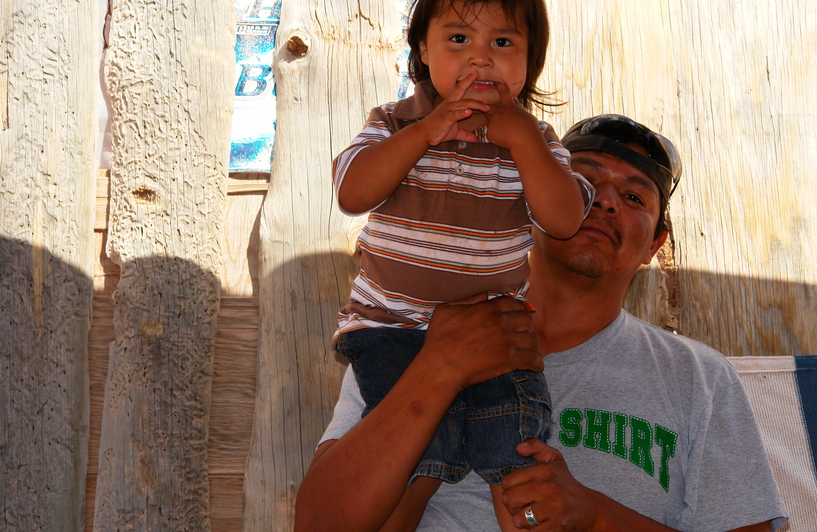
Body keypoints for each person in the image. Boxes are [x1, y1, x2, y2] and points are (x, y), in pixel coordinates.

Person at [297, 114, 789, 531]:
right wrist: (440, 369)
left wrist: (594, 515)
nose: (606, 200)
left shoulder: (699, 378)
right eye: (585, 181)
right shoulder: (406, 334)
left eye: (636, 198)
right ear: (528, 198)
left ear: (654, 246)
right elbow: (318, 523)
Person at [329, 0, 594, 531]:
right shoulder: (397, 124)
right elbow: (351, 191)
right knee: (423, 449)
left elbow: (562, 218)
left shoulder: (532, 141)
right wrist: (423, 135)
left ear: (528, 61)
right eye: (459, 40)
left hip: (492, 332)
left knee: (517, 446)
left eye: (502, 43)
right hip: (391, 326)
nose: (480, 60)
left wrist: (524, 140)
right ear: (422, 48)